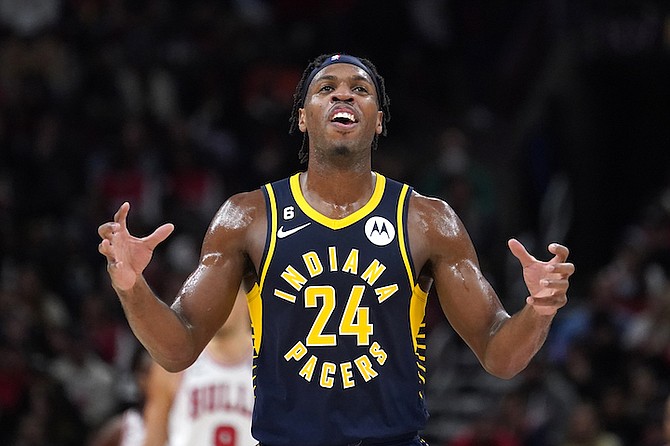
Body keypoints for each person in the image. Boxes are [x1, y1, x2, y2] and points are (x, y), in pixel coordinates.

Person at [98, 53, 575, 446]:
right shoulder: (247, 217)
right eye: (326, 88)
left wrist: (539, 308)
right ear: (302, 118)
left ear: (379, 121)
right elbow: (178, 347)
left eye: (360, 89)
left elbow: (499, 354)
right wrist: (131, 286)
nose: (343, 93)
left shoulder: (428, 220)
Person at [141, 287, 255, 446]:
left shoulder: (271, 363)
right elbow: (153, 439)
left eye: (228, 295)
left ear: (248, 298)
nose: (219, 304)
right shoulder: (175, 362)